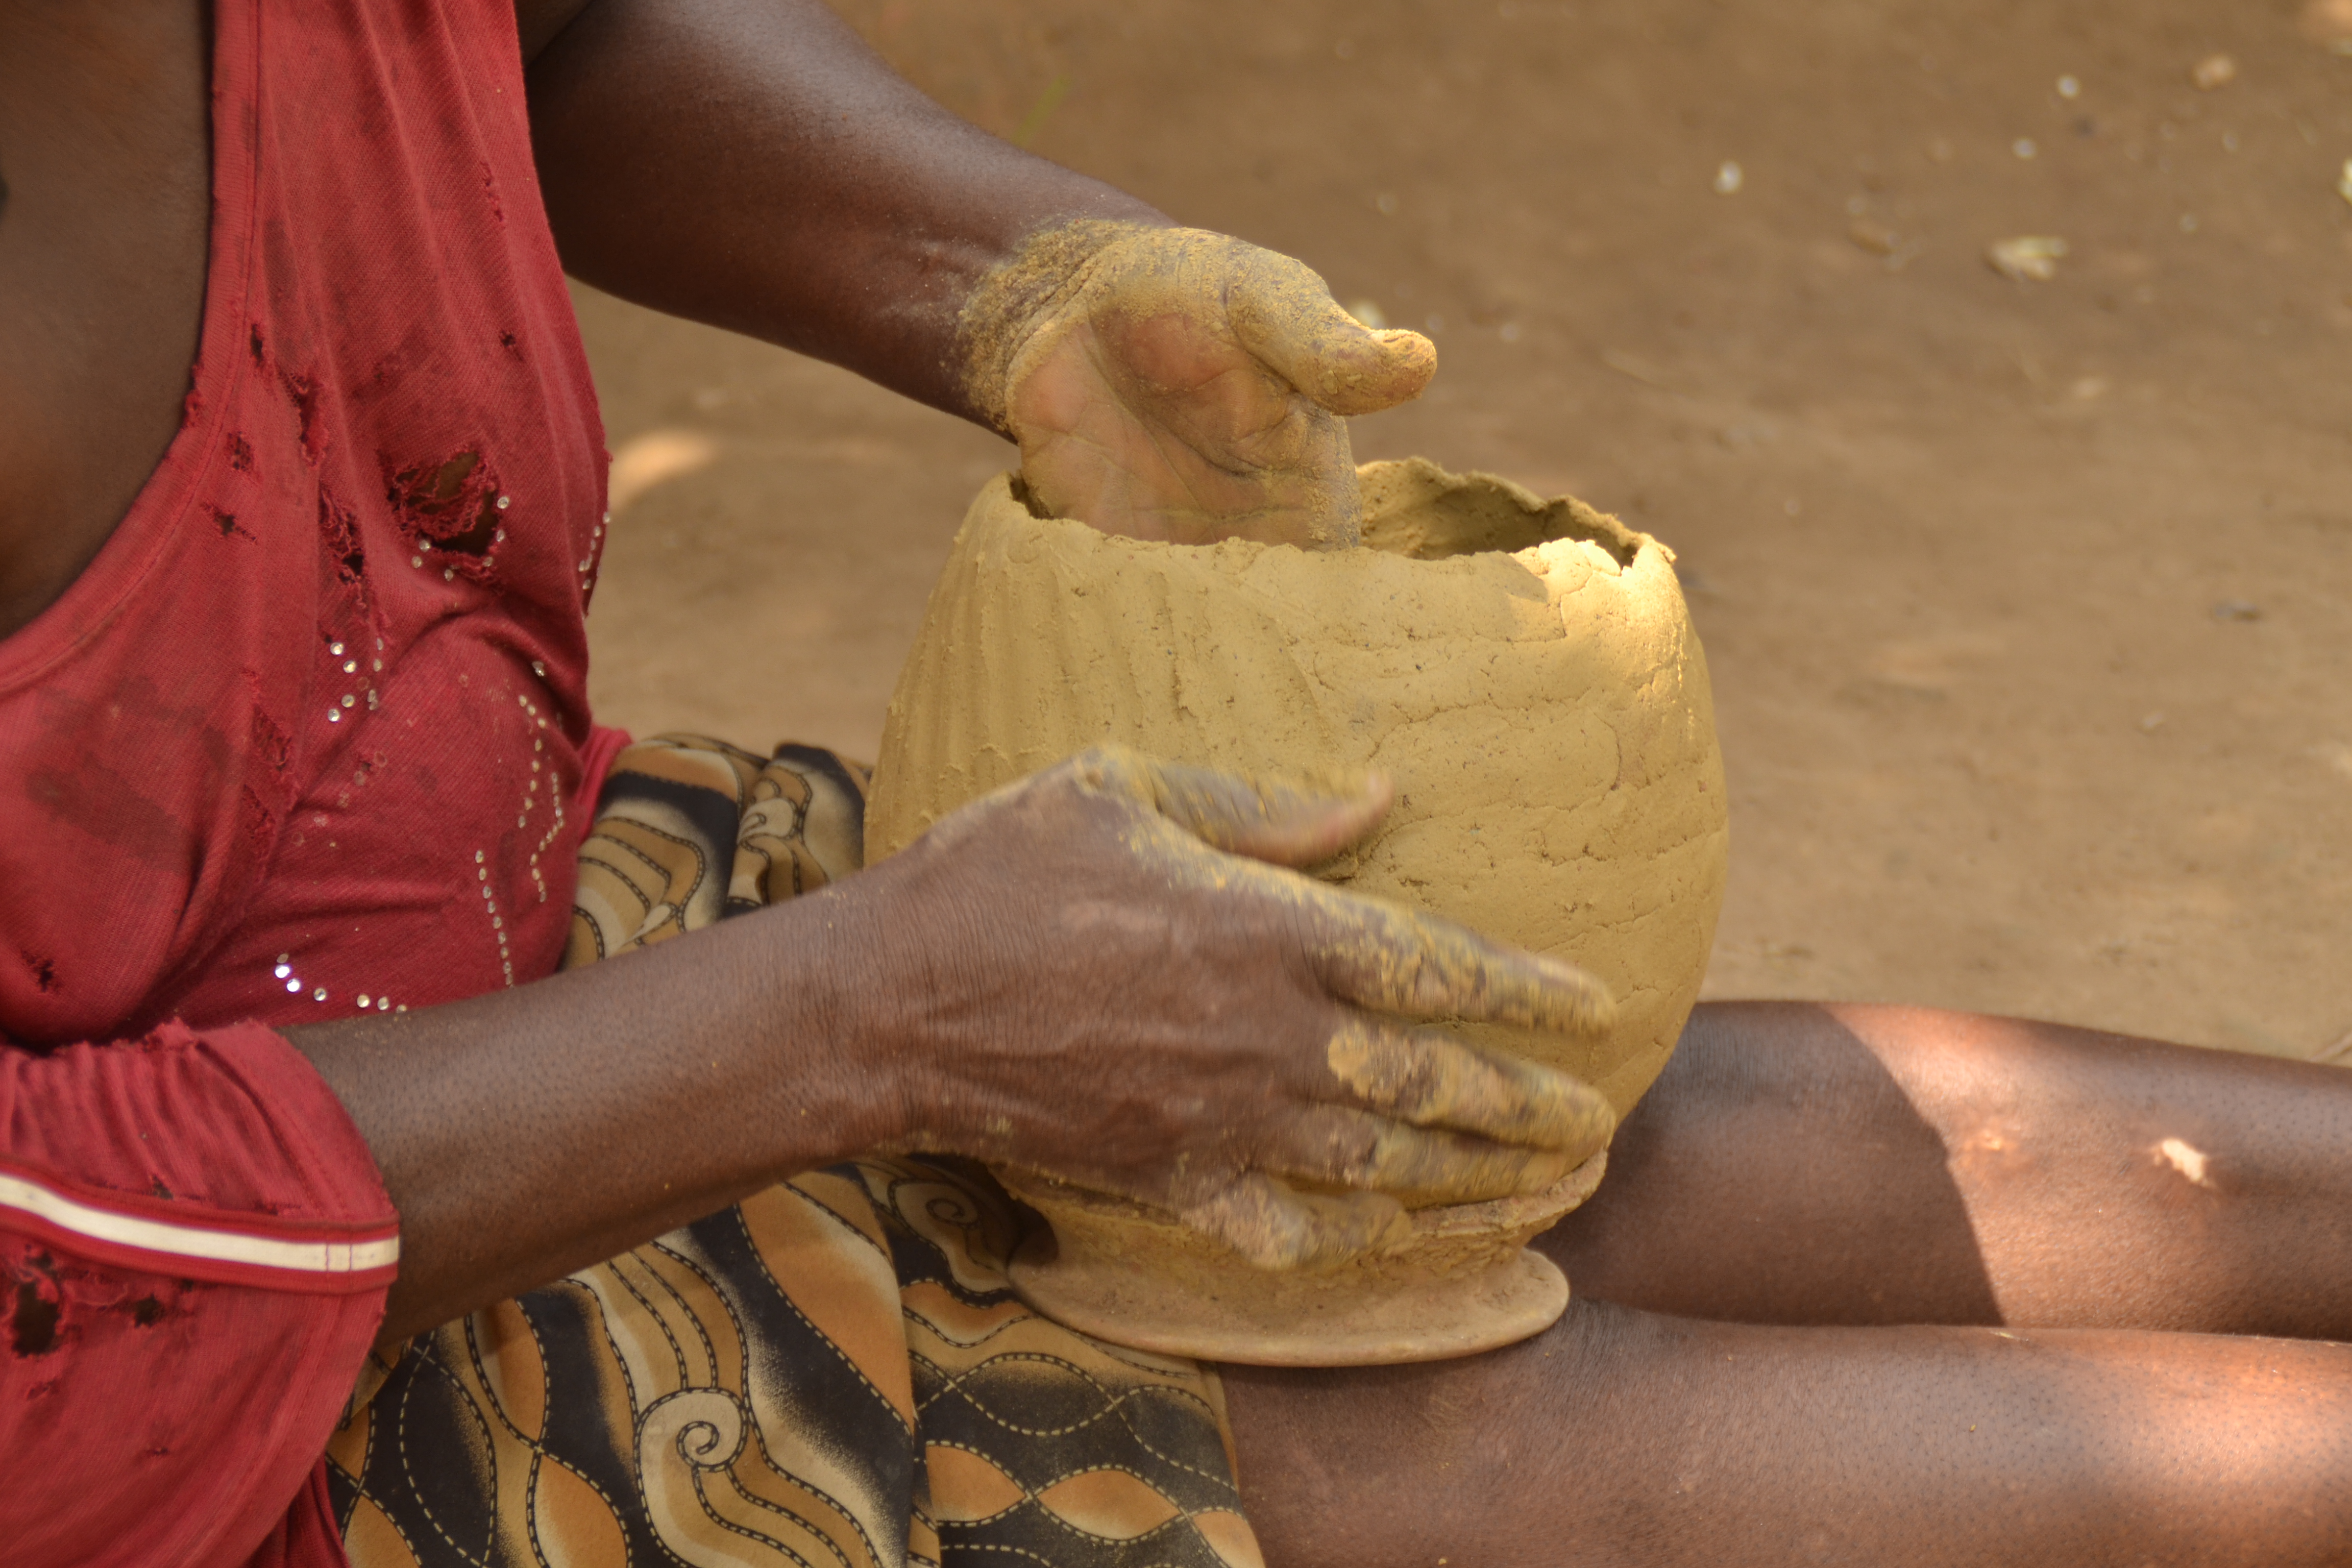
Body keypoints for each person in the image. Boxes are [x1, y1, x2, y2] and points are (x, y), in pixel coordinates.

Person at [2, 3, 2346, 1565]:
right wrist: (864, 1025)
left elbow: (565, 24)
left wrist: (1022, 277)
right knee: (1361, 1439)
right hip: (170, 1387)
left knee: (1483, 1110)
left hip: (502, 934)